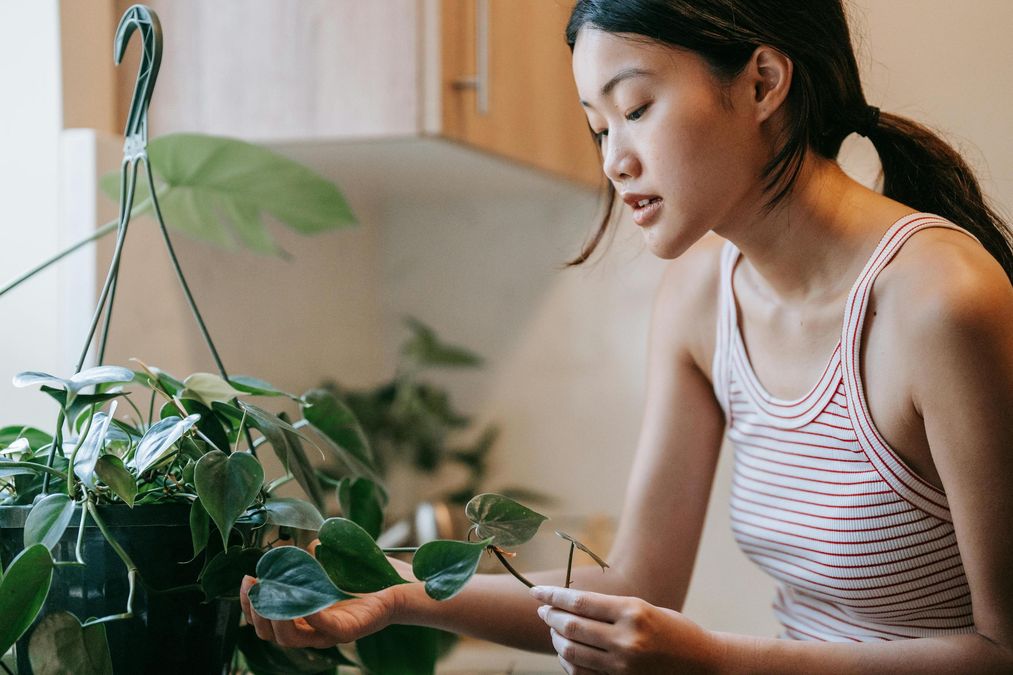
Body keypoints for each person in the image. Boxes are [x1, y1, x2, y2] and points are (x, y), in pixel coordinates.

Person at [241, 0, 1013, 671]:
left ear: (762, 82)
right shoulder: (701, 295)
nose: (614, 160)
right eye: (596, 127)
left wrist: (716, 661)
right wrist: (391, 588)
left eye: (635, 108)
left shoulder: (939, 302)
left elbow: (1002, 647)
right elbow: (638, 586)